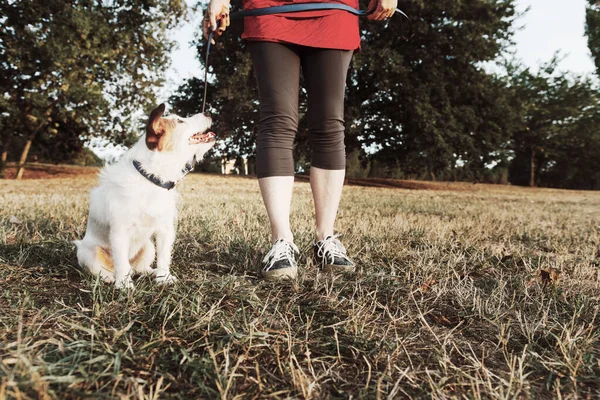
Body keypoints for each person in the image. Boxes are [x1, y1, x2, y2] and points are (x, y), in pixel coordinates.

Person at [203, 0, 397, 280]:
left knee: (330, 122)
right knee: (277, 119)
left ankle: (325, 238)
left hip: (334, 10)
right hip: (270, 8)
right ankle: (282, 240)